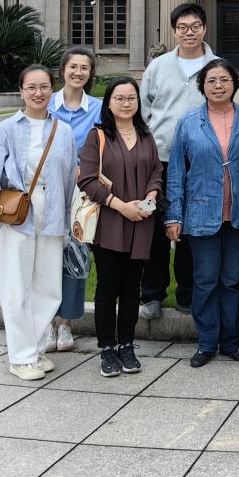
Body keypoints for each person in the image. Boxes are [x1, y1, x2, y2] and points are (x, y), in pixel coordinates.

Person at [0, 65, 77, 381]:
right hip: (18, 213)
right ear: (21, 92)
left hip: (53, 212)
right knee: (16, 286)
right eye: (31, 87)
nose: (38, 93)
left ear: (52, 90)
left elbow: (69, 180)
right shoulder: (7, 129)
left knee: (49, 289)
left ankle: (34, 350)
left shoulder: (63, 131)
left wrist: (69, 222)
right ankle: (20, 357)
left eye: (44, 86)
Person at [164, 58, 239, 368]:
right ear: (202, 86)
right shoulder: (189, 123)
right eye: (211, 80)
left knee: (233, 281)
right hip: (201, 213)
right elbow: (176, 171)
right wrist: (173, 215)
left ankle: (232, 341)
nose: (218, 86)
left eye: (224, 80)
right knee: (205, 281)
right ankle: (206, 342)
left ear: (234, 84)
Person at [77, 77, 163, 378]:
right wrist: (120, 205)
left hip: (141, 222)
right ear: (109, 103)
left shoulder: (146, 135)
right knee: (107, 288)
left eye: (131, 98)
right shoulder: (98, 136)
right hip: (110, 223)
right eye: (120, 98)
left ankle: (126, 345)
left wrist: (151, 196)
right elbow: (87, 179)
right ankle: (107, 348)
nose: (126, 104)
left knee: (131, 289)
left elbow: (156, 171)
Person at [140, 3, 216, 321]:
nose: (189, 32)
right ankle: (152, 294)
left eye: (195, 26)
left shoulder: (216, 67)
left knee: (191, 230)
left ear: (204, 28)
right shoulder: (158, 67)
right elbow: (143, 110)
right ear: (174, 32)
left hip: (198, 163)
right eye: (182, 27)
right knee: (155, 229)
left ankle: (187, 293)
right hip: (159, 160)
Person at [46, 46, 100, 354]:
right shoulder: (45, 104)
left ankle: (65, 322)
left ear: (91, 73)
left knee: (77, 258)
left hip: (83, 195)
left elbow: (106, 147)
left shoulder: (99, 109)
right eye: (73, 67)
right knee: (44, 257)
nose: (78, 72)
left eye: (84, 68)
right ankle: (45, 320)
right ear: (62, 70)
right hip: (46, 192)